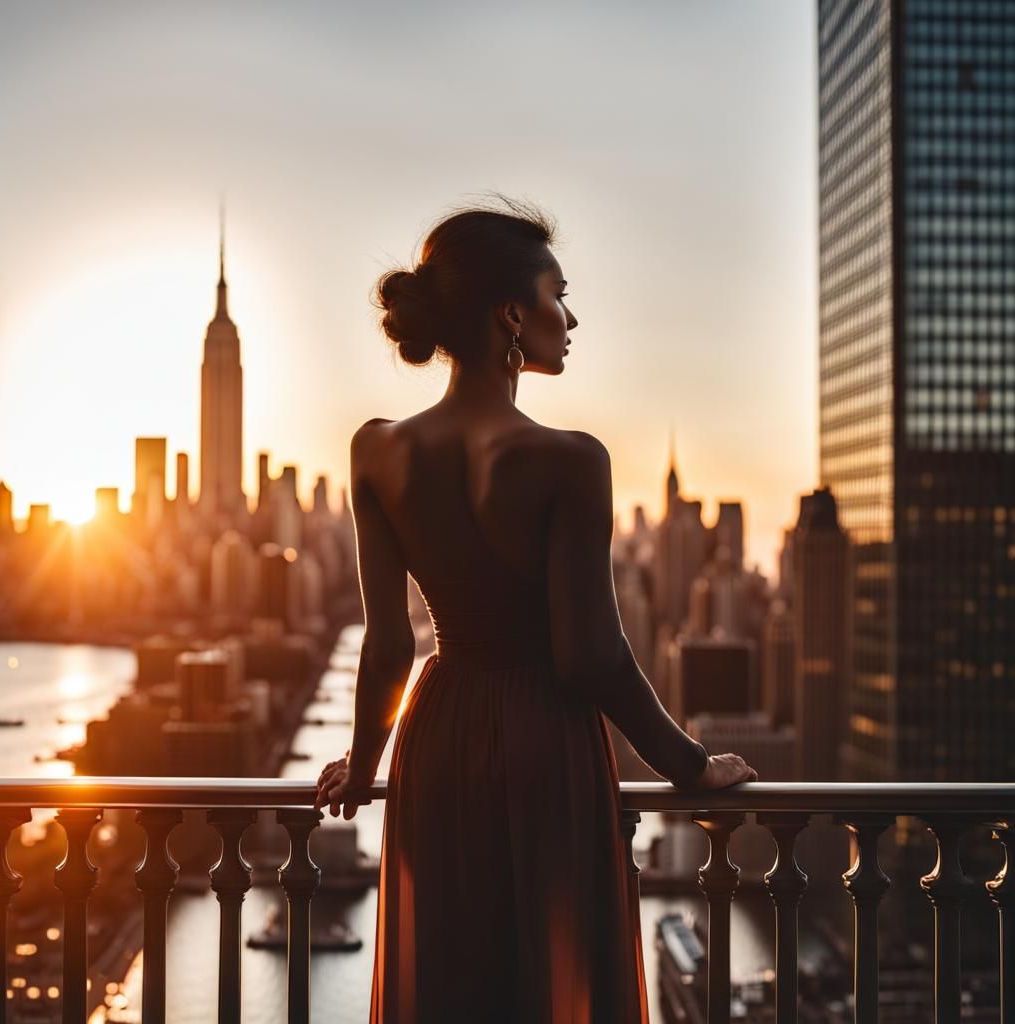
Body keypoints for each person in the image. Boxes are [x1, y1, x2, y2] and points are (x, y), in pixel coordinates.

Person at [314, 198, 758, 1023]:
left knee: (449, 980)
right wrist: (690, 767)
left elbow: (387, 645)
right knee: (553, 982)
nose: (572, 316)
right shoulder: (569, 460)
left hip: (437, 742)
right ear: (513, 314)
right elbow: (590, 655)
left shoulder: (377, 449)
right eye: (560, 294)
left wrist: (368, 764)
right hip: (547, 745)